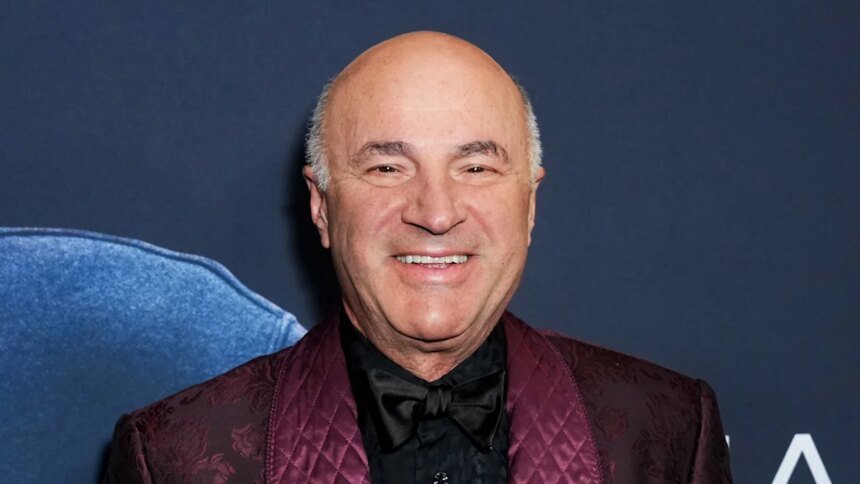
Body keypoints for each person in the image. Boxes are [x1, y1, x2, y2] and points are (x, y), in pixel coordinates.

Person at [102, 31, 732, 483]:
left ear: (530, 205)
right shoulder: (173, 458)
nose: (435, 213)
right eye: (387, 167)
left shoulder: (668, 431)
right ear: (321, 206)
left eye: (476, 167)